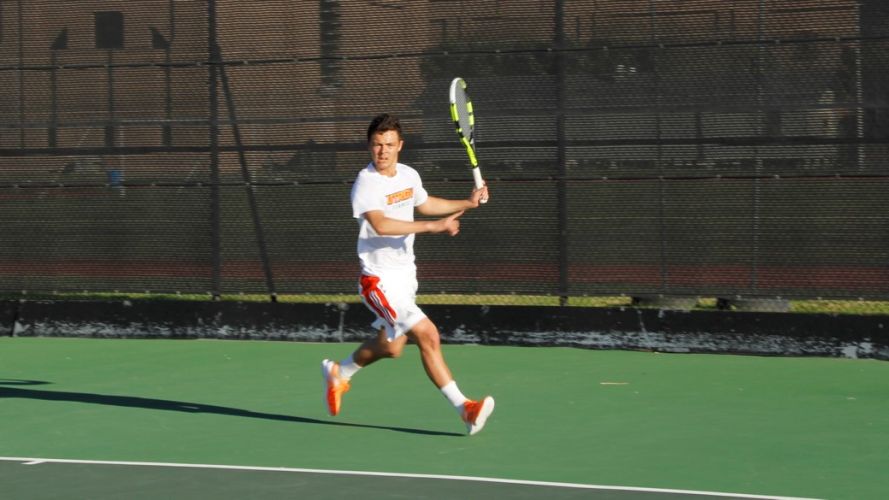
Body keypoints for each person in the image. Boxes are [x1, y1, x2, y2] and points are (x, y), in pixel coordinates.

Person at [321, 113, 494, 435]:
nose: (382, 151)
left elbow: (425, 203)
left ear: (400, 146)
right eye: (376, 145)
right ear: (369, 147)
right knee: (428, 334)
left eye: (388, 144)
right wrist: (433, 227)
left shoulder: (409, 176)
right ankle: (465, 408)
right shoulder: (366, 183)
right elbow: (381, 224)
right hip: (378, 280)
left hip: (405, 278)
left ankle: (339, 373)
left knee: (392, 347)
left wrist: (467, 203)